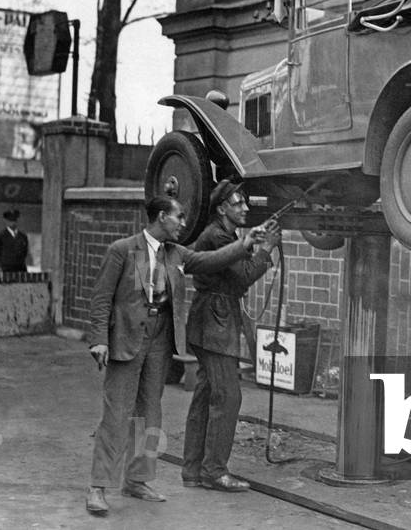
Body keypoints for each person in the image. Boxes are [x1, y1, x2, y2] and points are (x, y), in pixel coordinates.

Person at [85, 195, 274, 517]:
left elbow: (211, 260)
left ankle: (138, 479)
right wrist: (99, 340)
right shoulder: (122, 249)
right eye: (179, 217)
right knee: (117, 414)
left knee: (151, 413)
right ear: (161, 217)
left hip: (160, 340)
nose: (184, 223)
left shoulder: (176, 254)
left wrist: (246, 243)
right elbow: (102, 297)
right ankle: (98, 487)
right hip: (127, 339)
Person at [181, 180, 281, 492]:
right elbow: (243, 277)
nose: (245, 208)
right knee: (228, 396)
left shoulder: (220, 234)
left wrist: (254, 244)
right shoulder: (218, 235)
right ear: (222, 208)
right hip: (216, 321)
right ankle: (214, 471)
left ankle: (193, 470)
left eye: (245, 202)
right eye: (238, 203)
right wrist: (265, 250)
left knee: (205, 396)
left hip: (208, 319)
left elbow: (235, 273)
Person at [0, 208, 29, 272]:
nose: (13, 223)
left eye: (14, 220)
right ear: (6, 221)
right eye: (10, 220)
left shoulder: (23, 237)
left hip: (20, 272)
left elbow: (24, 255)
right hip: (4, 272)